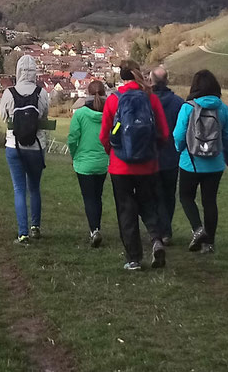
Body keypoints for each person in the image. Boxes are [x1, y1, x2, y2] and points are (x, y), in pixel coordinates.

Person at [99, 62, 172, 270]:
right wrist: (152, 151)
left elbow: (104, 135)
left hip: (119, 166)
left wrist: (112, 153)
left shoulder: (114, 100)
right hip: (147, 164)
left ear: (121, 77)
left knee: (126, 210)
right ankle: (156, 239)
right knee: (148, 204)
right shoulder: (150, 98)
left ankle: (134, 258)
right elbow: (164, 133)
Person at [171, 68, 228, 253]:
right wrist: (219, 150)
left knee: (186, 197)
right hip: (215, 164)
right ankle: (209, 244)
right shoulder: (223, 108)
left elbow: (178, 135)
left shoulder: (188, 107)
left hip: (189, 162)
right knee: (210, 202)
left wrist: (180, 150)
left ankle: (197, 229)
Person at [0, 53, 50, 245]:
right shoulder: (42, 93)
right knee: (34, 188)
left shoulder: (9, 93)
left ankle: (22, 233)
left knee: (19, 189)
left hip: (14, 146)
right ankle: (35, 226)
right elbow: (45, 117)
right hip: (37, 147)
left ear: (18, 71)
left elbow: (4, 117)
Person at [65, 78, 111, 248]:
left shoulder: (81, 114)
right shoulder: (109, 113)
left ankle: (94, 229)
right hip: (102, 161)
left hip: (83, 162)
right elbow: (114, 132)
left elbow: (72, 138)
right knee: (97, 197)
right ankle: (96, 226)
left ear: (87, 94)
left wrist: (74, 154)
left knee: (88, 197)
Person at [148, 66, 186, 246]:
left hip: (149, 156)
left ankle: (157, 231)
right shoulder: (178, 103)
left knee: (153, 196)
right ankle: (166, 231)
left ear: (151, 81)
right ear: (167, 81)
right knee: (169, 196)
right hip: (171, 156)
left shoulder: (146, 101)